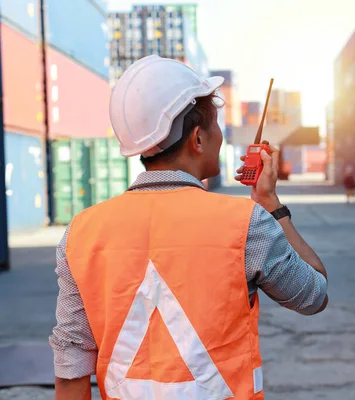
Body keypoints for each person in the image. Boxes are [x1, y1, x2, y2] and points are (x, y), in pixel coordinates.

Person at [49, 55, 328, 400]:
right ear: (198, 138)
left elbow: (71, 365)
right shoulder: (246, 223)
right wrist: (273, 206)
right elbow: (314, 295)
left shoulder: (81, 233)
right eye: (216, 125)